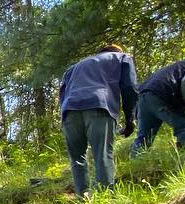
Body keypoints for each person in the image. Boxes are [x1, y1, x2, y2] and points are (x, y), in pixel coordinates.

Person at [58, 44, 137, 196]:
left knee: (77, 158)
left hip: (69, 110)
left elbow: (62, 92)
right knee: (102, 154)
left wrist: (65, 116)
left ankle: (83, 197)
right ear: (117, 51)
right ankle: (105, 196)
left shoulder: (74, 67)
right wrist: (130, 118)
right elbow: (130, 87)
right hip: (99, 105)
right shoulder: (122, 57)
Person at [132, 59, 185, 152]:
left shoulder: (180, 67)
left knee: (144, 138)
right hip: (161, 95)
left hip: (144, 95)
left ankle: (133, 164)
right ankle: (181, 161)